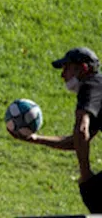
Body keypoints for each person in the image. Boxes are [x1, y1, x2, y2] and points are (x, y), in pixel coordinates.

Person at [11, 47, 102, 212]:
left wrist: (85, 174)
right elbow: (77, 141)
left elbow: (81, 131)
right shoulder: (98, 89)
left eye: (67, 68)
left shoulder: (90, 86)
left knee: (92, 192)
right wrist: (36, 138)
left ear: (83, 69)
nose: (62, 75)